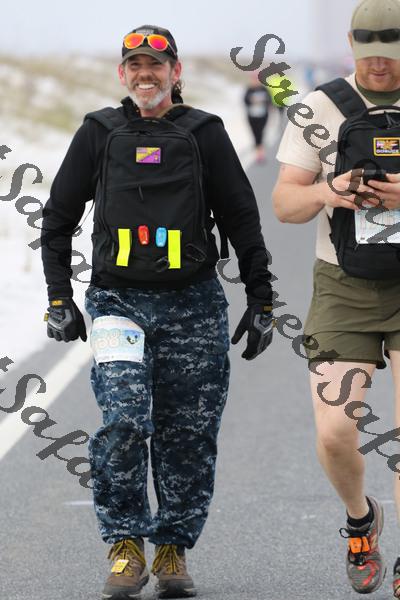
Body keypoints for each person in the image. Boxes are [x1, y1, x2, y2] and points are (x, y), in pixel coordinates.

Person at [41, 24, 274, 600]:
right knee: (123, 422)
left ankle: (172, 548)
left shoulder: (205, 133)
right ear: (122, 73)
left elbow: (242, 217)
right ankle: (125, 544)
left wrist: (262, 297)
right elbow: (58, 216)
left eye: (156, 65)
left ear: (176, 72)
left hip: (194, 305)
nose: (146, 75)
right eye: (136, 65)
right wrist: (59, 298)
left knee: (188, 434)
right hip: (117, 303)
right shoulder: (98, 132)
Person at [273, 0, 400, 596]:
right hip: (343, 285)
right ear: (351, 44)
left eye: (392, 52)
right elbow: (285, 203)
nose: (380, 64)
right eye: (369, 51)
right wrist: (330, 190)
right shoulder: (319, 107)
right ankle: (360, 519)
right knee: (335, 432)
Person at [243, 70, 272, 163]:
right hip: (252, 116)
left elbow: (270, 101)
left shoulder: (264, 89)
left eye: (256, 79)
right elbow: (245, 101)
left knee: (260, 133)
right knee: (255, 134)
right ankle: (258, 151)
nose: (255, 81)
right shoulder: (249, 89)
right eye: (253, 79)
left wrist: (264, 102)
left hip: (263, 116)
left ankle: (260, 154)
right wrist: (252, 100)